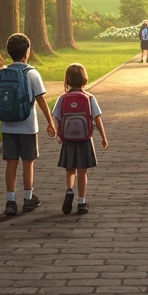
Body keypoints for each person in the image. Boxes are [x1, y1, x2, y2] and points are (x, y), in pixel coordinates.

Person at [0, 32, 56, 218]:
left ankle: (10, 201)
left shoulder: (2, 73)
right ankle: (28, 198)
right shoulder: (32, 73)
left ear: (9, 52)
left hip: (7, 126)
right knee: (28, 163)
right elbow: (41, 99)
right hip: (28, 126)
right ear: (27, 52)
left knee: (11, 163)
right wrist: (50, 123)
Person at [52, 62, 108, 216]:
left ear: (67, 80)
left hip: (68, 140)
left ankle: (69, 190)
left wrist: (58, 133)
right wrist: (103, 137)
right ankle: (82, 202)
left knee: (70, 170)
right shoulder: (89, 98)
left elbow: (55, 117)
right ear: (85, 79)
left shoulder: (62, 98)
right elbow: (97, 118)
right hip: (84, 140)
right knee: (82, 172)